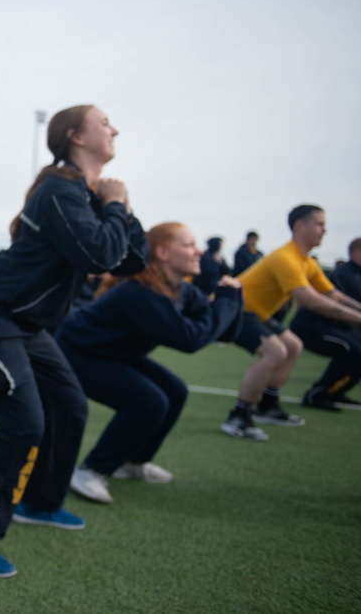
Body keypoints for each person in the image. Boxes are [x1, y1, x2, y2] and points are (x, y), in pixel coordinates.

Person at [0, 105, 147, 578]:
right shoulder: (60, 191)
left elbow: (130, 259)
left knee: (71, 406)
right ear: (76, 136)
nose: (115, 128)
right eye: (105, 123)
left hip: (28, 326)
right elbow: (100, 252)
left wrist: (117, 206)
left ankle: (39, 503)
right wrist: (116, 206)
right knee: (23, 426)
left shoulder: (86, 195)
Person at [58, 223, 243, 504]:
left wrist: (232, 298)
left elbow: (222, 331)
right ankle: (90, 471)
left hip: (112, 354)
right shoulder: (141, 291)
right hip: (75, 354)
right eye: (189, 245)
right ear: (163, 253)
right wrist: (226, 303)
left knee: (175, 391)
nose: (199, 251)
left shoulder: (180, 290)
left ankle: (132, 462)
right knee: (149, 401)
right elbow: (189, 339)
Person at [225, 205, 361, 439]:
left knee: (293, 346)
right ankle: (238, 416)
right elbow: (311, 300)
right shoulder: (285, 257)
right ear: (300, 226)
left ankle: (267, 406)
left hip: (256, 313)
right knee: (274, 351)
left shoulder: (306, 262)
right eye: (319, 224)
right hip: (233, 309)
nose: (324, 230)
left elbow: (332, 295)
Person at [289, 236, 361, 410]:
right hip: (311, 327)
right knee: (352, 349)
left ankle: (336, 391)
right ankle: (317, 394)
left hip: (333, 326)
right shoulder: (346, 275)